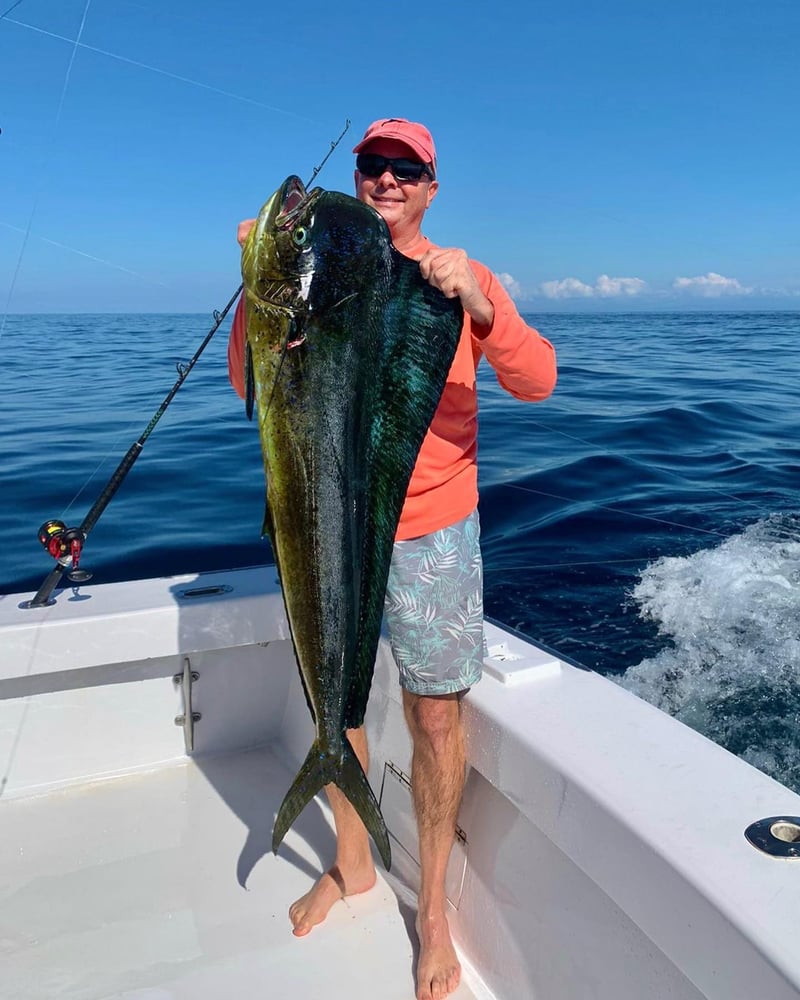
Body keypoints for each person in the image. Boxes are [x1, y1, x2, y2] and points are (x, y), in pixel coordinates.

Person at [227, 118, 557, 1000]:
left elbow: (539, 381)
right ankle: (354, 862)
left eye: (404, 170)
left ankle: (437, 916)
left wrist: (483, 310)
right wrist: (254, 287)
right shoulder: (317, 270)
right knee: (336, 695)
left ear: (431, 187)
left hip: (432, 529)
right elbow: (248, 385)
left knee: (436, 718)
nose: (383, 180)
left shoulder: (458, 276)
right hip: (326, 517)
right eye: (372, 165)